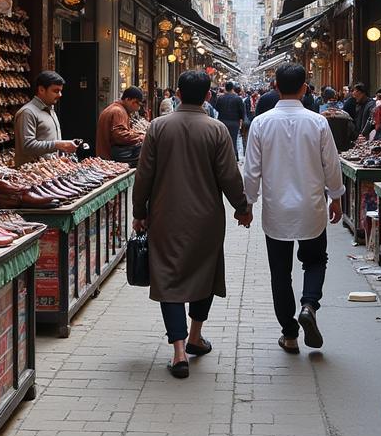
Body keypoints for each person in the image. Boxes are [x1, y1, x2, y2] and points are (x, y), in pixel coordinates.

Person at [133, 70, 251, 379]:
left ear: (179, 95)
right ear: (208, 96)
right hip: (206, 217)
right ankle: (196, 334)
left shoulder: (158, 127)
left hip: (165, 215)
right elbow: (229, 175)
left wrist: (138, 211)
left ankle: (180, 351)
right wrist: (242, 208)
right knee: (204, 271)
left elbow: (143, 175)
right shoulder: (216, 130)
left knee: (168, 278)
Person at [243, 62, 344, 352]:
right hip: (311, 207)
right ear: (304, 88)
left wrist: (248, 204)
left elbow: (251, 170)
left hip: (276, 211)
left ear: (275, 87)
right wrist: (336, 196)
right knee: (314, 260)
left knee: (280, 272)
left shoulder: (261, 123)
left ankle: (289, 334)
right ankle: (309, 305)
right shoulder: (317, 122)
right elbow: (331, 164)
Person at [15, 71, 80, 165]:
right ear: (41, 90)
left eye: (60, 91)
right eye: (56, 91)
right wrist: (59, 145)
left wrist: (59, 158)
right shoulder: (28, 112)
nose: (60, 95)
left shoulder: (50, 109)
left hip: (49, 171)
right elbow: (27, 146)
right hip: (32, 175)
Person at [96, 86, 146, 165]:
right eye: (137, 103)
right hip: (111, 159)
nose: (138, 108)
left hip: (106, 156)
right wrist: (140, 137)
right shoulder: (119, 111)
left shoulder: (115, 108)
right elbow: (120, 136)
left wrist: (137, 134)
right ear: (128, 99)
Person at [214, 81, 246, 159]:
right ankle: (234, 158)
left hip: (222, 122)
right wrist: (242, 120)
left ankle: (222, 158)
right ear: (232, 88)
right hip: (234, 123)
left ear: (225, 88)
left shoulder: (220, 98)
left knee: (222, 142)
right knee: (233, 141)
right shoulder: (238, 98)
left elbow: (217, 108)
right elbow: (242, 112)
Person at [319, 86, 356, 152]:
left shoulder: (320, 114)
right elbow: (353, 134)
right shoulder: (345, 114)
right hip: (343, 148)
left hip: (326, 148)